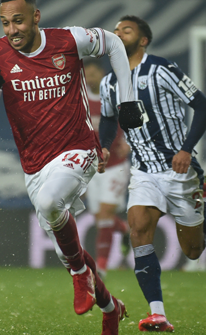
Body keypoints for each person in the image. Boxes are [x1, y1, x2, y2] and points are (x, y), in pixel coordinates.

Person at [0, 0, 147, 333]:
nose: (11, 30)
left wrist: (127, 100)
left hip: (78, 148)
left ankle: (81, 277)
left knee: (55, 209)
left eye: (18, 21)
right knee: (71, 251)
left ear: (36, 17)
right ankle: (111, 308)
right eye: (5, 23)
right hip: (34, 167)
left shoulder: (68, 41)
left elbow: (112, 43)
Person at [99, 15, 206, 332]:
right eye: (115, 31)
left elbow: (204, 107)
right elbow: (109, 119)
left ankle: (204, 199)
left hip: (178, 169)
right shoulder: (109, 81)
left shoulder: (161, 69)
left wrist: (186, 149)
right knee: (138, 227)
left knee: (192, 252)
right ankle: (158, 314)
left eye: (126, 30)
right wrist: (103, 147)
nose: (118, 34)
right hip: (143, 172)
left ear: (142, 40)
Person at [83, 58, 131, 280]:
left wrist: (129, 141)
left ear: (101, 74)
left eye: (93, 73)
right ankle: (124, 229)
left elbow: (135, 117)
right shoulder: (79, 99)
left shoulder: (114, 95)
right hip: (92, 167)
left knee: (104, 214)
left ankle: (101, 266)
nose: (90, 78)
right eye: (87, 74)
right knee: (100, 216)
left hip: (115, 167)